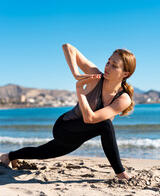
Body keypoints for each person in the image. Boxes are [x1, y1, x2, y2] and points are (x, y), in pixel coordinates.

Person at [0, 43, 136, 180]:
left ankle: (8, 156)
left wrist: (79, 90)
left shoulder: (123, 99)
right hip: (64, 127)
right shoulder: (95, 77)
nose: (108, 67)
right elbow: (67, 47)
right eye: (108, 62)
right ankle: (121, 173)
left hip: (78, 136)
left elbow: (91, 118)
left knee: (41, 152)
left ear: (125, 74)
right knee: (105, 125)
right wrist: (76, 75)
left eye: (114, 65)